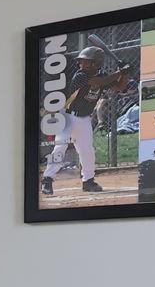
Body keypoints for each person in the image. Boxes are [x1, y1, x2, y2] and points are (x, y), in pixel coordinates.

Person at [40, 45, 131, 197]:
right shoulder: (80, 75)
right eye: (81, 61)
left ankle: (88, 181)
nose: (81, 63)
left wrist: (126, 73)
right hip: (68, 117)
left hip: (84, 119)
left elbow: (120, 87)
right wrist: (120, 71)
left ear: (95, 63)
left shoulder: (104, 75)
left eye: (85, 61)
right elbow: (99, 83)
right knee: (60, 148)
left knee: (87, 151)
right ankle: (47, 180)